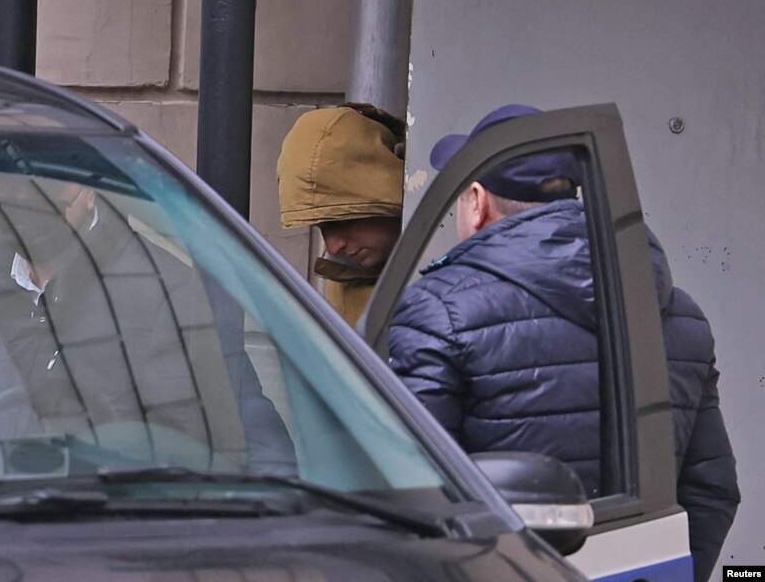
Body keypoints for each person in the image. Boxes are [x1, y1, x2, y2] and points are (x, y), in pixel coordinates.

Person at [390, 104, 740, 581]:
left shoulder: (437, 311)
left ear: (477, 200)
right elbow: (711, 489)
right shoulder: (679, 317)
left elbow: (407, 495)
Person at [277, 104, 405, 325]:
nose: (333, 247)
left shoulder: (458, 260)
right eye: (322, 227)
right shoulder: (345, 276)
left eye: (343, 220)